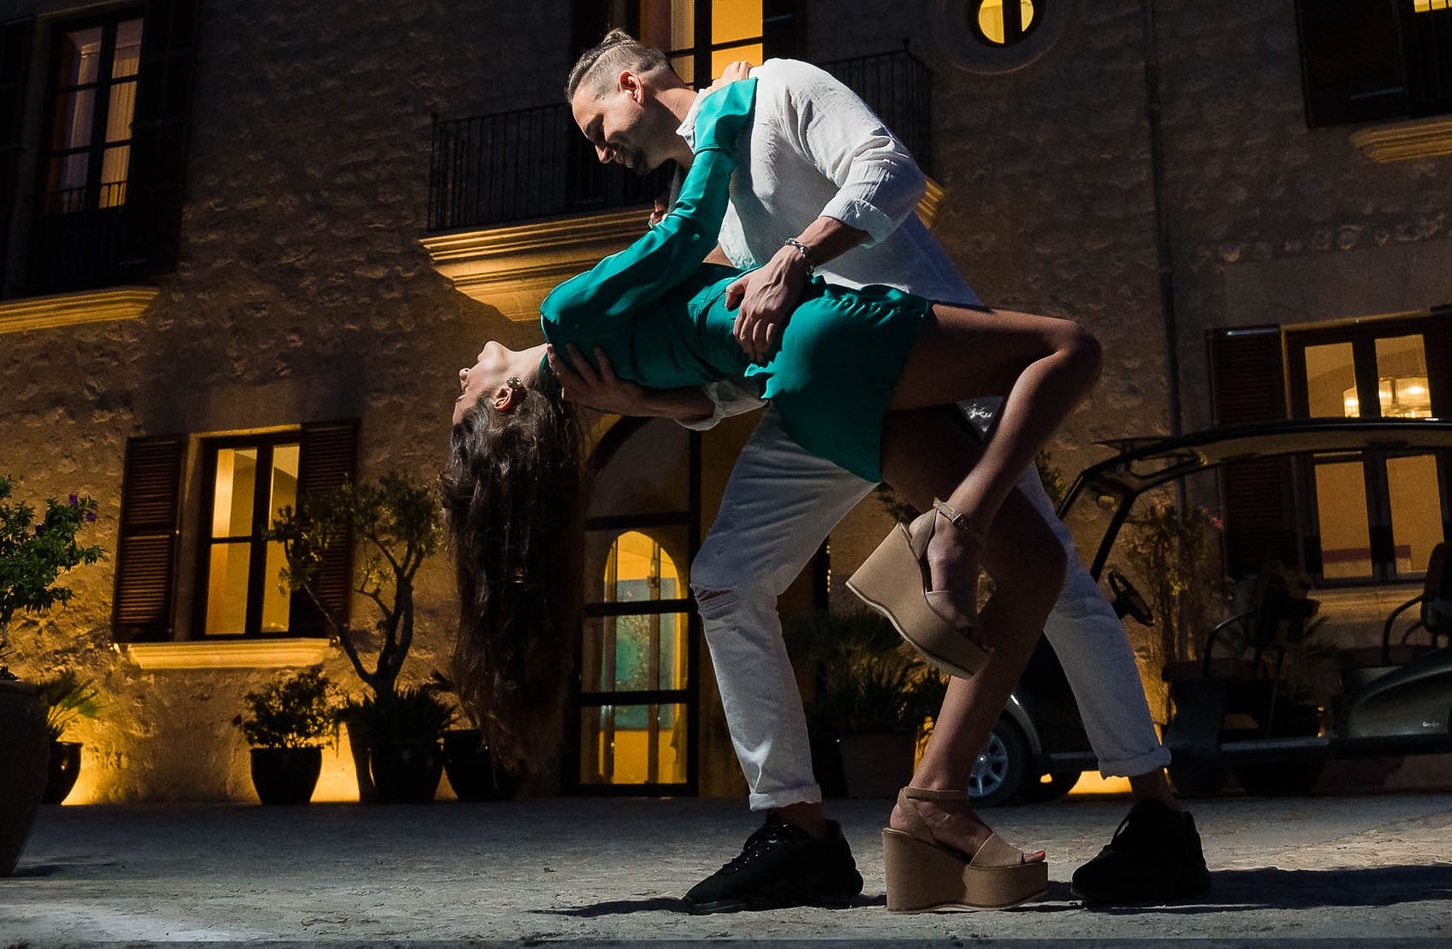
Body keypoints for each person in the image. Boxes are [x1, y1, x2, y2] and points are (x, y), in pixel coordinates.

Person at [560, 32, 1207, 911]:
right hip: (830, 397)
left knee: (1054, 585)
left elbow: (892, 170)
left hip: (932, 367)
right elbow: (749, 355)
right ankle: (796, 829)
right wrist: (662, 405)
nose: (601, 153)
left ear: (631, 82)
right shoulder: (699, 204)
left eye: (598, 126)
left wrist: (797, 253)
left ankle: (1158, 817)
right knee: (723, 578)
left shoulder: (782, 87)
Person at [446, 71, 1096, 911]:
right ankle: (953, 527)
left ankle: (933, 799)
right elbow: (686, 230)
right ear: (502, 398)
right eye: (463, 393)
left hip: (802, 395)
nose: (461, 372)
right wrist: (722, 118)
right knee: (1068, 348)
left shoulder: (595, 380)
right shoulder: (564, 317)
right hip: (820, 336)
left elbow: (712, 382)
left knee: (1037, 565)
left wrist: (643, 401)